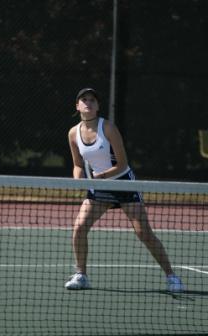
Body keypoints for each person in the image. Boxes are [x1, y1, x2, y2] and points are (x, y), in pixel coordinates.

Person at [65, 87, 184, 292]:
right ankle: (81, 275)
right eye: (84, 100)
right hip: (98, 189)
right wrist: (79, 181)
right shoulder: (73, 133)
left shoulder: (108, 128)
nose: (88, 103)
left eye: (92, 100)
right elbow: (77, 164)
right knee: (79, 228)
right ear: (77, 106)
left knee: (143, 233)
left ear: (97, 106)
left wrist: (100, 177)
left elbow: (122, 163)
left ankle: (172, 276)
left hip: (124, 184)